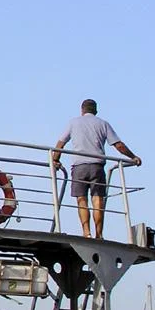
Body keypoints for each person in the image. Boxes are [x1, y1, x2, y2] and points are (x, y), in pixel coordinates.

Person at [52, 99, 141, 239]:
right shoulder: (103, 123)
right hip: (97, 167)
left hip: (79, 167)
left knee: (81, 200)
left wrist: (55, 160)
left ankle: (86, 232)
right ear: (96, 111)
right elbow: (118, 145)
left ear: (82, 110)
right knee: (98, 200)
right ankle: (99, 234)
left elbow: (60, 144)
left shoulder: (73, 123)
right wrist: (133, 157)